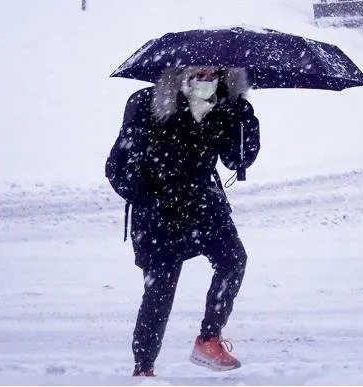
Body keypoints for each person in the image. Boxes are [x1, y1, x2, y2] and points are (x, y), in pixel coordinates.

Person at [105, 65, 260, 377]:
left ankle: (208, 340)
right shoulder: (149, 104)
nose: (206, 78)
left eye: (213, 72)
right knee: (160, 290)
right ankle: (144, 368)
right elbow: (117, 167)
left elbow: (236, 160)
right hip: (160, 212)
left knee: (233, 260)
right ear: (180, 71)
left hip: (204, 203)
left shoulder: (227, 107)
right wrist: (150, 198)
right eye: (197, 71)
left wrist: (245, 118)